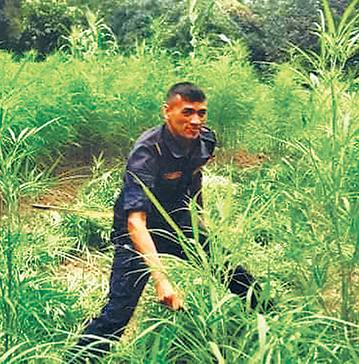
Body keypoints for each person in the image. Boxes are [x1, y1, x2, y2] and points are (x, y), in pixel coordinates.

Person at [69, 82, 268, 362]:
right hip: (136, 232)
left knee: (237, 277)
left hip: (179, 224)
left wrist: (199, 220)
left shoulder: (205, 140)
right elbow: (135, 221)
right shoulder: (147, 152)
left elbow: (195, 176)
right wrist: (161, 279)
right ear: (167, 111)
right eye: (187, 112)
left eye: (201, 113)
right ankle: (77, 359)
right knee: (118, 312)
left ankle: (272, 328)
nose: (195, 120)